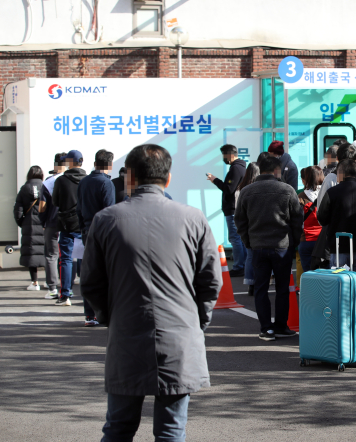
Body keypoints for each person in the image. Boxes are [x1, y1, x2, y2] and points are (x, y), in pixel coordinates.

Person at [81, 143, 221, 442]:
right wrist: (197, 320)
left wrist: (111, 316)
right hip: (179, 336)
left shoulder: (106, 220)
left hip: (127, 333)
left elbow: (91, 282)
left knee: (118, 428)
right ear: (168, 178)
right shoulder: (193, 218)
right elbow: (210, 281)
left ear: (128, 177)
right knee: (171, 431)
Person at [235, 155, 303, 341]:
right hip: (282, 246)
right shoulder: (287, 190)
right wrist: (294, 241)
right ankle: (281, 326)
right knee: (282, 288)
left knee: (261, 288)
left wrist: (248, 241)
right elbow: (297, 220)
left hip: (257, 246)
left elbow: (239, 220)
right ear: (276, 170)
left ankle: (266, 328)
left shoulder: (247, 191)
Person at [76, 149, 115, 326]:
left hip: (87, 230)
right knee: (107, 272)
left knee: (90, 271)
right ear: (110, 165)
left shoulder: (84, 182)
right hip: (104, 232)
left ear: (94, 163)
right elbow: (110, 212)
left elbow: (78, 209)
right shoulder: (106, 184)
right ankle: (105, 313)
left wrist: (83, 227)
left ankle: (89, 315)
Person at [51, 150, 87, 306]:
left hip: (66, 225)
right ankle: (88, 296)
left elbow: (55, 202)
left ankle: (65, 295)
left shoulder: (61, 180)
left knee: (66, 259)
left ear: (71, 162)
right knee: (86, 260)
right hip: (84, 225)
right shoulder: (87, 180)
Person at [317, 160, 356, 270]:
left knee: (340, 281)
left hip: (338, 244)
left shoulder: (332, 192)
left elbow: (322, 217)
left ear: (340, 173)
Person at [207, 144, 247, 277]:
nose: (223, 158)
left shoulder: (235, 169)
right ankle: (244, 265)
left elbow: (229, 189)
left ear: (230, 154)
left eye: (224, 155)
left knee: (235, 238)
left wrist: (215, 180)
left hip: (233, 209)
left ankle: (239, 266)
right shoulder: (241, 167)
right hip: (237, 208)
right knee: (240, 238)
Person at [39, 153, 67, 298]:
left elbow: (42, 207)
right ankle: (67, 288)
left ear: (55, 165)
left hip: (52, 223)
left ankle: (52, 289)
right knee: (68, 256)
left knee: (51, 255)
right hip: (69, 224)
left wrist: (43, 221)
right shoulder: (74, 180)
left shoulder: (49, 182)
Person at [14, 166, 46, 291]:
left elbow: (18, 210)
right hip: (44, 224)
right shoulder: (45, 187)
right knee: (47, 253)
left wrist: (22, 222)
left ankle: (34, 282)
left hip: (29, 224)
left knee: (32, 252)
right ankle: (50, 282)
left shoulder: (24, 188)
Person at [236, 162, 261, 296]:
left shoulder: (241, 188)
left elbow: (238, 211)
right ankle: (263, 281)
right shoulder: (257, 189)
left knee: (250, 256)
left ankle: (251, 284)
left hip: (248, 226)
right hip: (259, 226)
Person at [298, 166, 323, 272]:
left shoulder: (301, 196)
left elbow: (297, 220)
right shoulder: (327, 193)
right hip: (323, 241)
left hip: (306, 240)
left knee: (309, 275)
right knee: (326, 275)